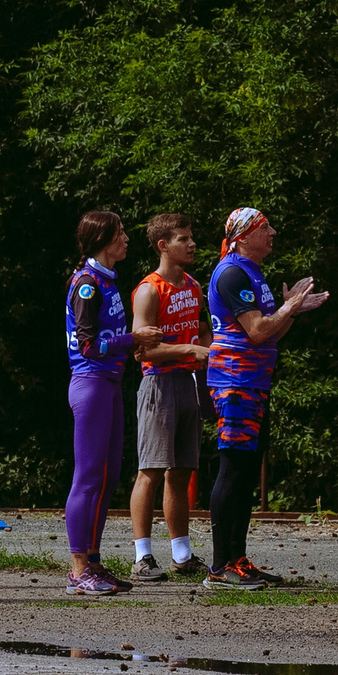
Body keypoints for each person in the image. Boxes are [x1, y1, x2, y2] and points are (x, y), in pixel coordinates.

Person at [200, 207, 327, 590]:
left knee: (246, 471)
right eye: (264, 227)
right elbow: (256, 331)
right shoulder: (233, 271)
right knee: (233, 468)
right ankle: (221, 565)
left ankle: (238, 560)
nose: (272, 232)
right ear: (242, 236)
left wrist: (292, 311)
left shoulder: (253, 272)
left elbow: (270, 333)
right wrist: (287, 308)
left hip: (254, 381)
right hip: (235, 382)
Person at [127, 214, 211, 582]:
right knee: (150, 471)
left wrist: (206, 350)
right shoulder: (149, 289)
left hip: (187, 383)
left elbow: (202, 332)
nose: (191, 244)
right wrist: (188, 350)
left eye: (191, 238)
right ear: (163, 245)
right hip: (158, 386)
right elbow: (141, 352)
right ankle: (142, 556)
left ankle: (182, 554)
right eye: (183, 239)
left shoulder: (193, 286)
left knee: (181, 472)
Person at [64, 209, 138, 596]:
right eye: (120, 233)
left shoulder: (108, 281)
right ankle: (78, 569)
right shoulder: (88, 284)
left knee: (108, 478)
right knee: (89, 476)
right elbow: (90, 346)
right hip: (91, 383)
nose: (126, 238)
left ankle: (93, 560)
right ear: (103, 240)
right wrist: (134, 339)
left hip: (109, 383)